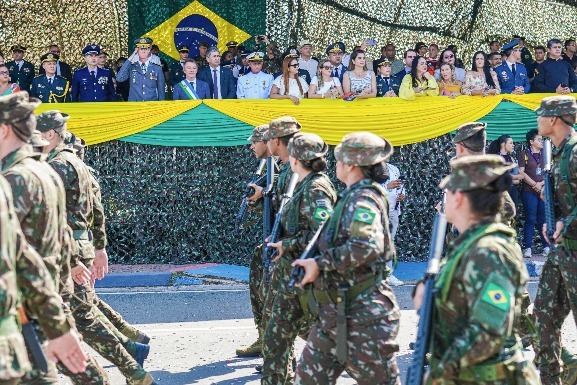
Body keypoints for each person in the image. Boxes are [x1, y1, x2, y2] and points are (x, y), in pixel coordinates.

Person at [37, 111, 156, 385]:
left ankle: (133, 363)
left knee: (81, 317)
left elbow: (51, 216)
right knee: (81, 310)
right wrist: (97, 247)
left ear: (50, 134)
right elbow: (96, 210)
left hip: (68, 246)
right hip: (78, 244)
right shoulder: (75, 163)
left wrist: (74, 256)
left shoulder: (57, 165)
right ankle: (132, 352)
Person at [414, 155, 538, 385]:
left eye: (447, 192)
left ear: (459, 198)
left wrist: (440, 372)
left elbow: (489, 331)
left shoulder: (488, 252)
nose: (443, 200)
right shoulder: (471, 245)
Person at [292, 132, 401, 385]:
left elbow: (365, 246)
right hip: (336, 312)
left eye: (339, 158)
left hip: (364, 317)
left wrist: (319, 264)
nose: (336, 163)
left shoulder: (364, 200)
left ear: (351, 164)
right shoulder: (351, 195)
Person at [263, 132, 337, 385]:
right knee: (275, 339)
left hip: (308, 277)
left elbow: (323, 232)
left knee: (318, 336)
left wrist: (288, 244)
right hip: (290, 274)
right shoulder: (300, 184)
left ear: (295, 159)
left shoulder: (316, 188)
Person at [533, 95, 577, 385]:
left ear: (553, 119)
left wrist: (566, 221)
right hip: (562, 252)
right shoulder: (557, 154)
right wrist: (554, 220)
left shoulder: (574, 154)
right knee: (543, 317)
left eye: (540, 115)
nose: (537, 119)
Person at [235, 124, 272, 359]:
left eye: (255, 142)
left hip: (284, 244)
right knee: (259, 289)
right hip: (270, 242)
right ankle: (264, 338)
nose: (251, 146)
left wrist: (265, 194)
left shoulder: (282, 170)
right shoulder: (268, 169)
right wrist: (256, 201)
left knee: (276, 299)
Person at [517, 129, 549, 259]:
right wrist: (534, 185)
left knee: (543, 219)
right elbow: (521, 173)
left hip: (543, 191)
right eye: (538, 139)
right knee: (530, 219)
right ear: (531, 142)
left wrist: (540, 184)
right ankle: (528, 248)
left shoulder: (546, 154)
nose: (541, 141)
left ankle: (546, 246)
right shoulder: (523, 153)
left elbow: (549, 170)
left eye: (542, 139)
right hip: (529, 191)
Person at [384, 160, 405, 286]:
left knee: (389, 243)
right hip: (378, 210)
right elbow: (367, 188)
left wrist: (401, 194)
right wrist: (387, 187)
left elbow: (401, 187)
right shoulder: (369, 168)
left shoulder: (394, 168)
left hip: (393, 211)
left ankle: (388, 274)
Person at [487, 134, 523, 208]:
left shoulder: (511, 158)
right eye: (511, 143)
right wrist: (512, 179)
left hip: (513, 190)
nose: (513, 145)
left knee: (514, 213)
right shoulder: (496, 158)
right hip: (501, 191)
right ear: (503, 144)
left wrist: (509, 178)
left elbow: (521, 176)